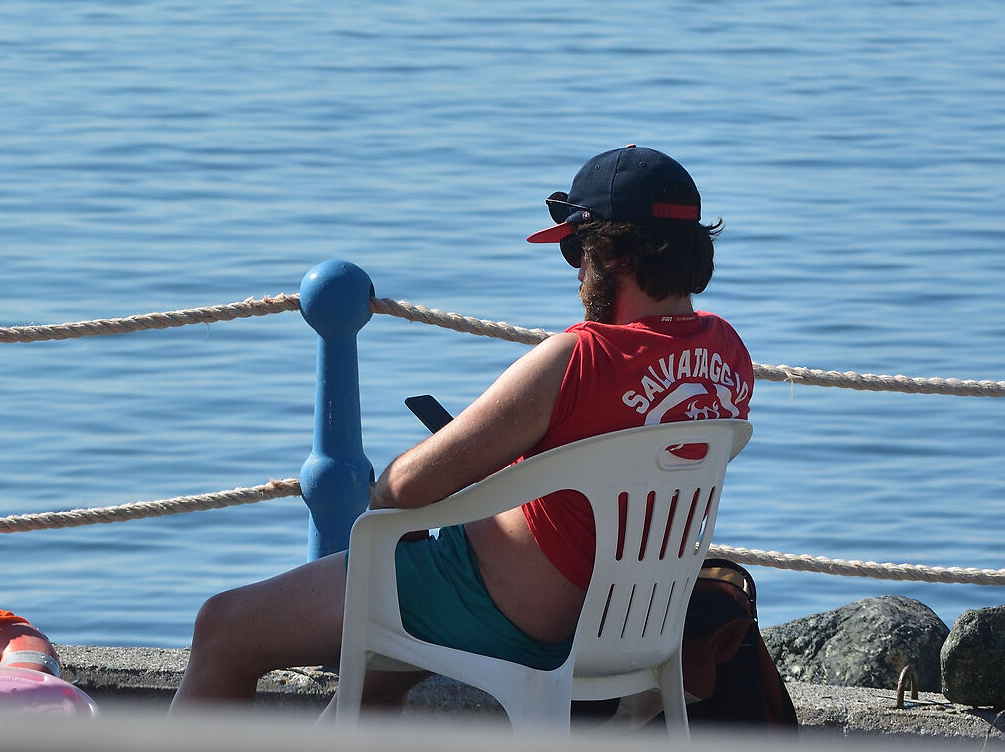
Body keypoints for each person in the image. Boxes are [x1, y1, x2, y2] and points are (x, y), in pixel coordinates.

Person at [170, 145, 752, 710]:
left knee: (223, 627)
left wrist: (442, 478)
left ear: (616, 254)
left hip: (506, 609)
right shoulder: (729, 353)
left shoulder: (577, 357)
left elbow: (402, 490)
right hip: (632, 617)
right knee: (380, 673)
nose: (577, 275)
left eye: (576, 252)